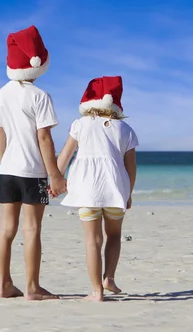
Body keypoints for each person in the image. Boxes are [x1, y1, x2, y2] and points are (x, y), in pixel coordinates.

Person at [0, 25, 67, 301]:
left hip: (8, 169)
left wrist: (5, 164)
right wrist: (56, 175)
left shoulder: (1, 94)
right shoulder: (40, 96)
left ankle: (4, 285)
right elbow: (44, 139)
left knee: (6, 229)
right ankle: (33, 287)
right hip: (33, 171)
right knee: (32, 228)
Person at [55, 76, 138, 302]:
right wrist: (128, 192)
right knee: (114, 235)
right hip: (116, 189)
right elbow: (131, 167)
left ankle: (96, 291)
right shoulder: (126, 129)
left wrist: (56, 180)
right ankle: (109, 277)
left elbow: (65, 156)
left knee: (93, 241)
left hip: (86, 189)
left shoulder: (80, 124)